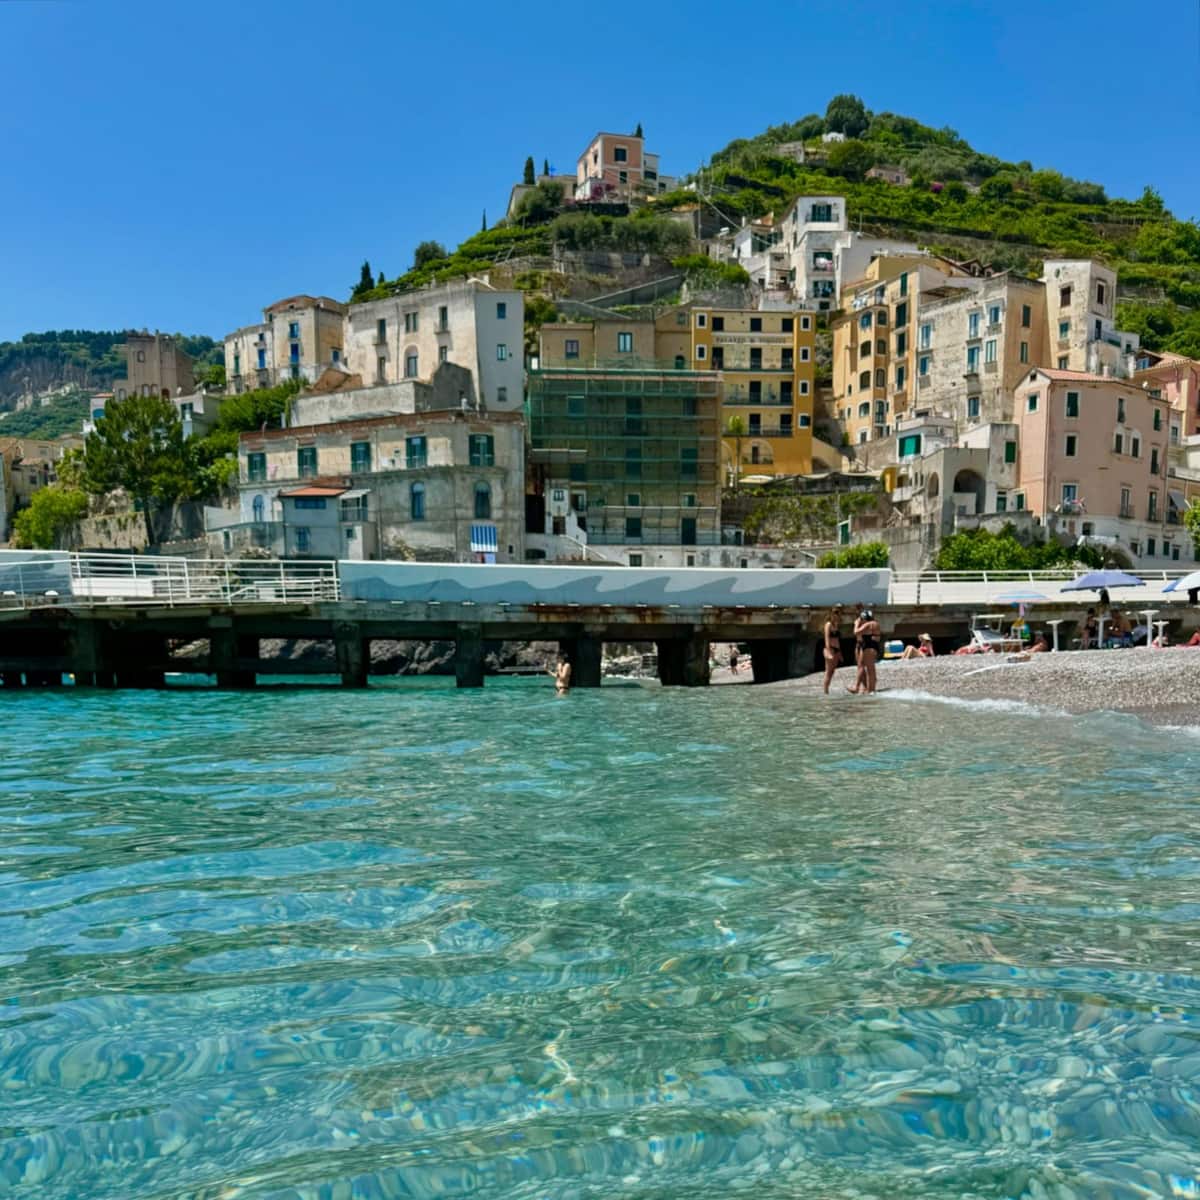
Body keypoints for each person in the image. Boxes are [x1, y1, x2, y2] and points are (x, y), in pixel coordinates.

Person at [850, 609, 882, 694]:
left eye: (862, 618)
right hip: (872, 647)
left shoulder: (869, 624)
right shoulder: (875, 623)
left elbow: (856, 632)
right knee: (868, 668)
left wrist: (856, 624)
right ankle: (868, 689)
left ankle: (871, 690)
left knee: (870, 670)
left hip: (869, 648)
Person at [822, 605, 843, 694]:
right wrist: (828, 650)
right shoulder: (828, 624)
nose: (836, 615)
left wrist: (840, 652)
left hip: (836, 649)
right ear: (831, 614)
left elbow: (837, 640)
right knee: (828, 671)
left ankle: (827, 689)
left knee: (832, 671)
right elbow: (826, 638)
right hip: (830, 648)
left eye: (838, 614)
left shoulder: (836, 625)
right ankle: (825, 691)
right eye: (835, 613)